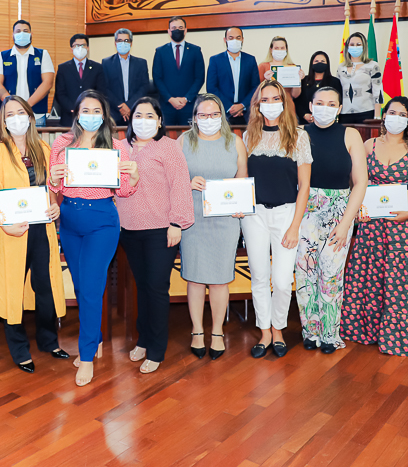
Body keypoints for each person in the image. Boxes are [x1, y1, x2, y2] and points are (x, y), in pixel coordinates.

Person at [48, 90, 139, 386]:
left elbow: (124, 191)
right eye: (84, 109)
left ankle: (86, 356)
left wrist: (133, 176)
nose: (90, 114)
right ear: (75, 113)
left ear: (104, 114)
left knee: (90, 288)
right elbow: (54, 185)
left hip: (102, 221)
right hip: (70, 221)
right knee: (81, 284)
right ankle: (96, 337)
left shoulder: (116, 146)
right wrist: (53, 178)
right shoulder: (61, 145)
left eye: (96, 109)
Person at [0, 95, 69, 373]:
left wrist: (55, 206)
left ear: (30, 117)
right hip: (12, 231)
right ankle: (19, 349)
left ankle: (48, 340)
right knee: (13, 289)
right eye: (10, 114)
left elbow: (52, 188)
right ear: (3, 121)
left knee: (44, 287)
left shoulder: (43, 148)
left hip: (41, 229)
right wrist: (4, 221)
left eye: (21, 112)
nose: (17, 118)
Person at [341, 97, 408, 356]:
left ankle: (396, 336)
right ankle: (366, 331)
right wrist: (359, 209)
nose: (396, 117)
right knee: (369, 276)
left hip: (404, 225)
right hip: (371, 224)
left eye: (402, 114)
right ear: (384, 115)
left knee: (399, 281)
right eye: (391, 112)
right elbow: (356, 181)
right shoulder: (368, 145)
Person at [118, 97, 194, 373]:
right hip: (128, 229)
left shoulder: (169, 147)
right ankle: (144, 339)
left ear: (160, 121)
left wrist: (177, 223)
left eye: (150, 116)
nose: (144, 120)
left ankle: (157, 349)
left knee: (157, 288)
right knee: (141, 287)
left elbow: (180, 186)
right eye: (139, 115)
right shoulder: (121, 147)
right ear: (130, 118)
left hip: (161, 229)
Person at [242, 81, 312, 358]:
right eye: (264, 99)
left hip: (286, 214)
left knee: (282, 280)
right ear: (257, 105)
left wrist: (295, 225)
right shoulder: (249, 136)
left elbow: (304, 185)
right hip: (254, 215)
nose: (270, 103)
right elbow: (241, 179)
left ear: (284, 101)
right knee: (259, 276)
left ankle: (279, 327)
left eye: (275, 98)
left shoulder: (298, 136)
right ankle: (265, 332)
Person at [295, 87, 367, 353]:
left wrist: (346, 222)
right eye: (319, 103)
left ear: (339, 109)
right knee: (305, 273)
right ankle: (309, 332)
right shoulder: (299, 133)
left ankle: (330, 333)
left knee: (331, 274)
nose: (325, 107)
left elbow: (360, 182)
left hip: (340, 212)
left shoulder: (350, 134)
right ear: (311, 106)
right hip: (305, 210)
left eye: (331, 104)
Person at [178, 93, 247, 360]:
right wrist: (187, 183)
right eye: (202, 115)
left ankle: (217, 331)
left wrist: (242, 204)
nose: (208, 119)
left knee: (220, 279)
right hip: (193, 219)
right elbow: (172, 181)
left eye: (214, 114)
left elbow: (242, 180)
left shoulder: (235, 142)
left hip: (225, 220)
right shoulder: (184, 141)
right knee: (194, 277)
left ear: (223, 115)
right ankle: (197, 330)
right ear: (194, 118)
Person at [0, 20, 55, 126]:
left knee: (36, 143)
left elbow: (47, 83)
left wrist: (26, 106)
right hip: (9, 114)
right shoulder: (2, 56)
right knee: (9, 142)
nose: (22, 33)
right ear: (13, 35)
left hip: (36, 115)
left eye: (25, 31)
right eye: (18, 31)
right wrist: (12, 104)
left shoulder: (43, 54)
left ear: (31, 34)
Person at [152, 16, 205, 126]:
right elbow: (157, 78)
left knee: (188, 140)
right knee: (165, 138)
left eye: (180, 27)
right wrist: (170, 99)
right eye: (174, 28)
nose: (177, 30)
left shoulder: (195, 50)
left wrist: (186, 98)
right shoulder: (160, 51)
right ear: (169, 31)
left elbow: (199, 78)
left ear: (185, 30)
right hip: (166, 106)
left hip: (188, 106)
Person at [205, 26, 260, 125]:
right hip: (222, 112)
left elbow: (255, 87)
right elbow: (211, 87)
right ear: (225, 40)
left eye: (238, 38)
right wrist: (229, 107)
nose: (235, 40)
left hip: (246, 113)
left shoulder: (250, 60)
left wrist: (242, 105)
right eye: (231, 38)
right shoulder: (215, 60)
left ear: (243, 39)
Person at [54, 34, 107, 127]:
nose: (80, 48)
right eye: (77, 46)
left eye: (83, 45)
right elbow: (60, 93)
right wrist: (73, 108)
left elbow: (101, 92)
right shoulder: (63, 68)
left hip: (91, 117)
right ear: (71, 49)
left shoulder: (97, 67)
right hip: (69, 118)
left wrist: (88, 108)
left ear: (88, 48)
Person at [101, 28, 150, 126]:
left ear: (131, 43)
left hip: (136, 112)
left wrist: (129, 105)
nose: (123, 43)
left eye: (126, 40)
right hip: (114, 113)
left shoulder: (141, 63)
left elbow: (144, 86)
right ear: (115, 43)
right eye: (120, 40)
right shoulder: (106, 63)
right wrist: (121, 107)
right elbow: (105, 88)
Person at [337, 32, 382, 123]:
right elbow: (338, 91)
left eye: (358, 44)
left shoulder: (373, 66)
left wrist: (377, 117)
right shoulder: (341, 67)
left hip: (366, 112)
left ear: (364, 47)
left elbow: (378, 92)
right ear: (347, 47)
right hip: (345, 114)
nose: (355, 47)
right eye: (352, 44)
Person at [295, 52, 342, 124]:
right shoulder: (304, 80)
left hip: (328, 121)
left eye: (323, 61)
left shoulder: (335, 81)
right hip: (306, 122)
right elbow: (298, 102)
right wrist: (304, 115)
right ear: (311, 63)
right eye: (316, 61)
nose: (319, 63)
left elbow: (338, 101)